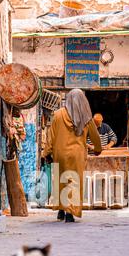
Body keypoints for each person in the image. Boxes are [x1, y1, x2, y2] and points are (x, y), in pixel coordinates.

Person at [43, 89, 102, 223]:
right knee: (73, 182)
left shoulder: (58, 115)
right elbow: (95, 136)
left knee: (61, 181)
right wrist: (98, 149)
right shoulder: (86, 117)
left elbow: (50, 136)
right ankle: (70, 212)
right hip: (77, 155)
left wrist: (46, 152)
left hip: (60, 153)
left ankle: (61, 210)